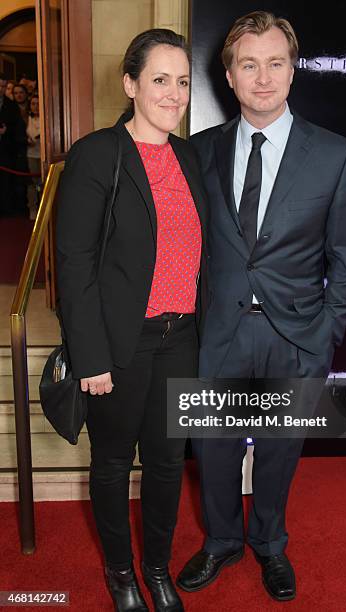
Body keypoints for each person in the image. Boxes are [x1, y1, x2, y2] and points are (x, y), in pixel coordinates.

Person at [177, 11, 346, 603]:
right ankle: (221, 541)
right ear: (228, 76)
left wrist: (325, 335)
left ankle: (269, 543)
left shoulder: (334, 154)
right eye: (249, 65)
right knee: (213, 452)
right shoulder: (198, 152)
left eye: (275, 63)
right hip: (219, 334)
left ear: (293, 70)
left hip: (295, 337)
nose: (263, 78)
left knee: (281, 452)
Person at [56, 28, 207, 612]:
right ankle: (122, 575)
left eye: (183, 81)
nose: (174, 94)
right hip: (120, 345)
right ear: (130, 84)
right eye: (160, 80)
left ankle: (157, 568)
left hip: (181, 340)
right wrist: (89, 356)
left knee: (169, 462)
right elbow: (75, 263)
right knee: (115, 462)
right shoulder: (99, 154)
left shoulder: (188, 156)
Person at [0, 73, 27, 215]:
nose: (1, 88)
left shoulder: (11, 106)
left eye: (4, 86)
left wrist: (6, 131)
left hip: (5, 151)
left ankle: (6, 211)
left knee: (5, 184)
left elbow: (17, 129)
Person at [26, 94, 41, 220]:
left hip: (43, 154)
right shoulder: (26, 119)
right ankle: (33, 208)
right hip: (31, 154)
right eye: (33, 104)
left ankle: (44, 208)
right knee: (32, 183)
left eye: (38, 103)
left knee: (43, 183)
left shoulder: (46, 118)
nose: (35, 106)